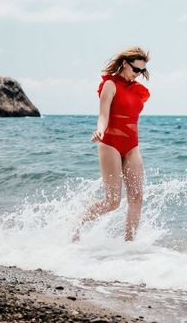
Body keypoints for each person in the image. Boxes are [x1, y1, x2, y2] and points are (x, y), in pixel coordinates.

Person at [73, 46, 151, 242]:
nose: (138, 74)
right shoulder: (110, 85)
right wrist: (100, 129)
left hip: (132, 145)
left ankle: (129, 244)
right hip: (110, 144)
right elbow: (103, 114)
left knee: (137, 197)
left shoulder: (137, 90)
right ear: (125, 64)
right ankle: (77, 225)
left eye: (142, 71)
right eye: (136, 70)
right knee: (113, 202)